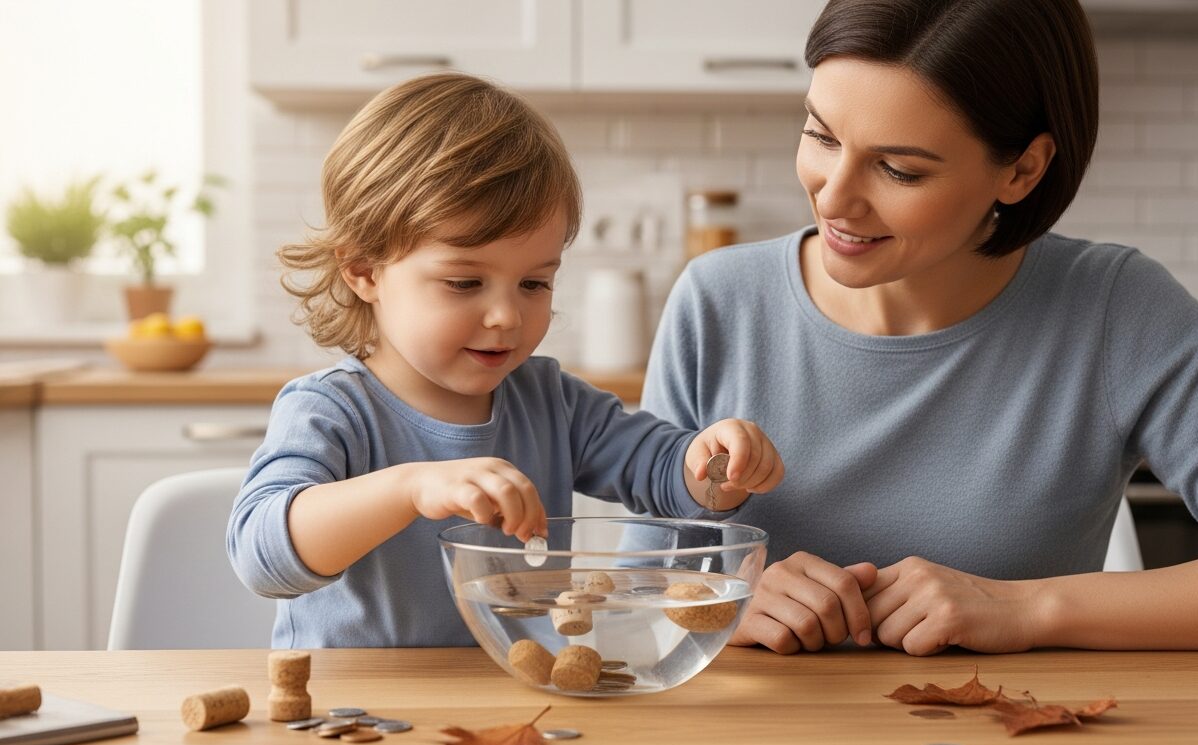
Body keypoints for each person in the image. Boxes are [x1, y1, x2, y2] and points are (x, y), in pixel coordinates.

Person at [642, 0, 1198, 657]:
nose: (834, 197)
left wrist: (1028, 607)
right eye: (821, 135)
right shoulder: (719, 300)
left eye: (899, 170)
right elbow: (632, 583)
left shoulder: (1115, 308)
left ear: (1022, 171)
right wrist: (729, 600)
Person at [227, 73, 784, 648]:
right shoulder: (330, 411)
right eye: (465, 282)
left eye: (534, 283)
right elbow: (262, 558)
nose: (507, 316)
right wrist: (410, 488)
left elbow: (661, 472)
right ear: (365, 271)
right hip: (358, 719)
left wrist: (714, 465)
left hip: (519, 701)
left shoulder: (550, 401)